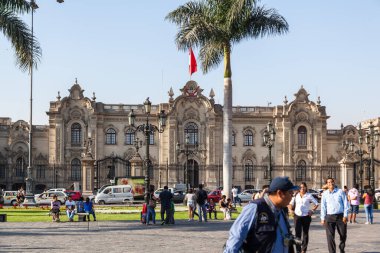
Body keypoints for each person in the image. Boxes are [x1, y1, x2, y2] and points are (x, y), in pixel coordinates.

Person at [224, 176, 299, 253]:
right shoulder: (255, 207)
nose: (292, 197)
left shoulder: (282, 211)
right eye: (290, 193)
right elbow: (236, 236)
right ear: (279, 193)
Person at [320, 177, 350, 253]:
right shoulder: (325, 194)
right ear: (327, 184)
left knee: (343, 235)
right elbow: (323, 206)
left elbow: (346, 204)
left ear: (334, 182)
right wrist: (322, 218)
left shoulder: (340, 192)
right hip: (329, 217)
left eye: (331, 182)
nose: (330, 183)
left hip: (340, 217)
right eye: (328, 182)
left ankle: (341, 248)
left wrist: (345, 215)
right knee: (330, 237)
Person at [289, 182, 319, 253]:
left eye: (303, 187)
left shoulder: (309, 195)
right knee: (297, 234)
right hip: (297, 216)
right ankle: (298, 250)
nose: (302, 188)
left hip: (306, 216)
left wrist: (312, 211)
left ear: (306, 188)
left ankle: (303, 249)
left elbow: (316, 203)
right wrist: (290, 210)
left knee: (305, 233)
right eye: (301, 187)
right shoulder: (296, 195)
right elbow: (290, 204)